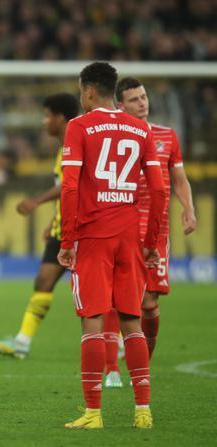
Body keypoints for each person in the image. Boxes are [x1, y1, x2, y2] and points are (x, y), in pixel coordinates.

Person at [57, 61, 166, 429]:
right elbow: (160, 189)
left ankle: (93, 413)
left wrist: (67, 239)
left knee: (92, 322)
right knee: (131, 322)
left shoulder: (79, 126)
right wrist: (150, 241)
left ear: (88, 90)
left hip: (92, 235)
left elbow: (70, 186)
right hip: (129, 236)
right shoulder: (140, 128)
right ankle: (143, 411)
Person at [100, 77, 198, 388]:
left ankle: (141, 365)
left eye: (144, 97)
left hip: (157, 233)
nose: (142, 103)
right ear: (121, 106)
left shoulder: (167, 136)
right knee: (117, 299)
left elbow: (179, 179)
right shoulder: (113, 138)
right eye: (134, 99)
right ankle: (111, 369)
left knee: (149, 304)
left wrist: (188, 209)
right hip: (122, 225)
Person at [0, 93, 79, 359]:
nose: (43, 122)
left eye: (47, 115)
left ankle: (117, 342)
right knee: (43, 280)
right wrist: (54, 221)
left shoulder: (77, 145)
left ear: (60, 118)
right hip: (62, 228)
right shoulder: (63, 149)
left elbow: (69, 187)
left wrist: (36, 201)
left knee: (94, 292)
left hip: (81, 230)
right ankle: (22, 342)